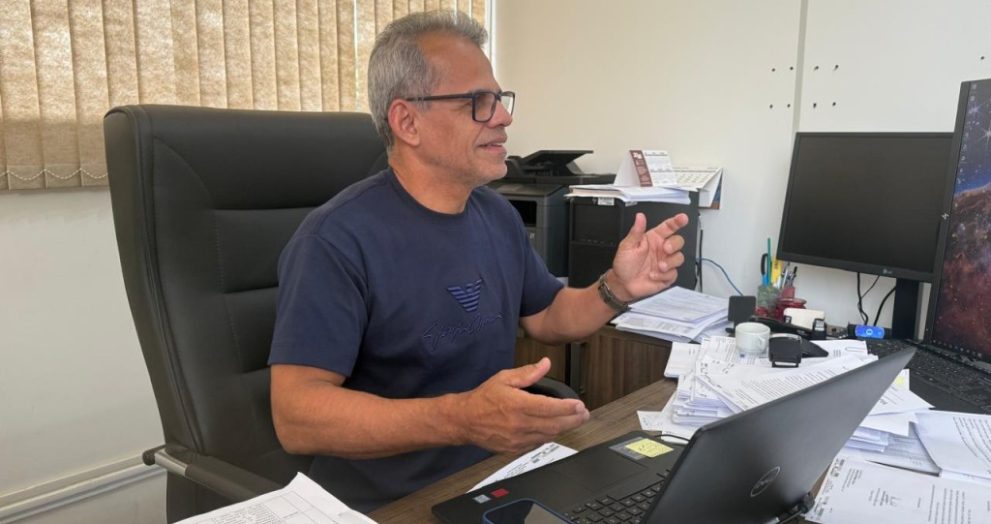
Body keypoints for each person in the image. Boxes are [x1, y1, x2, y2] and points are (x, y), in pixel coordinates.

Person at [268, 10, 689, 512]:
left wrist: (616, 287)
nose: (504, 118)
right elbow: (296, 417)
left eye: (500, 99)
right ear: (407, 122)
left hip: (495, 476)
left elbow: (548, 315)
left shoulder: (496, 214)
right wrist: (461, 419)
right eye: (478, 102)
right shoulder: (335, 241)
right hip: (389, 504)